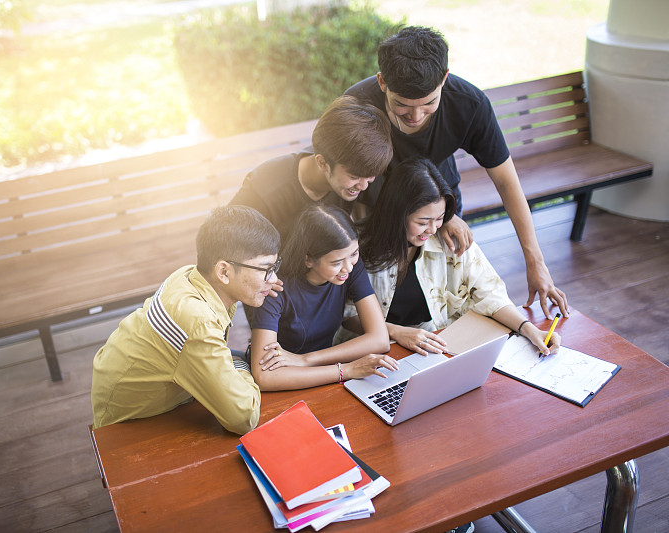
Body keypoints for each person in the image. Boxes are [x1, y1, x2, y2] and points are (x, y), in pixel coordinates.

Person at [344, 25, 569, 319]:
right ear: (382, 82)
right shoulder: (356, 107)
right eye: (402, 106)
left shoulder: (469, 104)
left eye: (429, 103)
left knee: (442, 302)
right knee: (381, 307)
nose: (415, 116)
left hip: (439, 210)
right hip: (374, 218)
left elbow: (506, 182)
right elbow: (338, 186)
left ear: (445, 79)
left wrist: (535, 262)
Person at [340, 158, 560, 358]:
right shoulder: (356, 246)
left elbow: (489, 294)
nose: (432, 229)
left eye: (440, 218)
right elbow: (346, 314)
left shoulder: (448, 239)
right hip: (371, 353)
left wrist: (530, 330)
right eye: (423, 221)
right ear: (397, 213)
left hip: (432, 347)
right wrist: (397, 332)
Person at [91, 205, 281, 434]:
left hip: (143, 388)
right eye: (266, 269)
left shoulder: (191, 276)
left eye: (274, 267)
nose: (274, 278)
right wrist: (241, 364)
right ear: (223, 272)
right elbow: (243, 418)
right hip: (126, 424)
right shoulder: (196, 319)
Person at [249, 204, 397, 391]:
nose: (348, 268)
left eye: (354, 254)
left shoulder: (350, 268)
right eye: (336, 262)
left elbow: (379, 339)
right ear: (309, 259)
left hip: (322, 374)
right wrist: (346, 370)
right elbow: (265, 376)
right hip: (288, 381)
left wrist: (306, 359)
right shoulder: (275, 288)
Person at [229, 95, 393, 243]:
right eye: (355, 176)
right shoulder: (264, 188)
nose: (364, 186)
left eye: (370, 177)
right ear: (322, 163)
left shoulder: (357, 168)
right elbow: (225, 240)